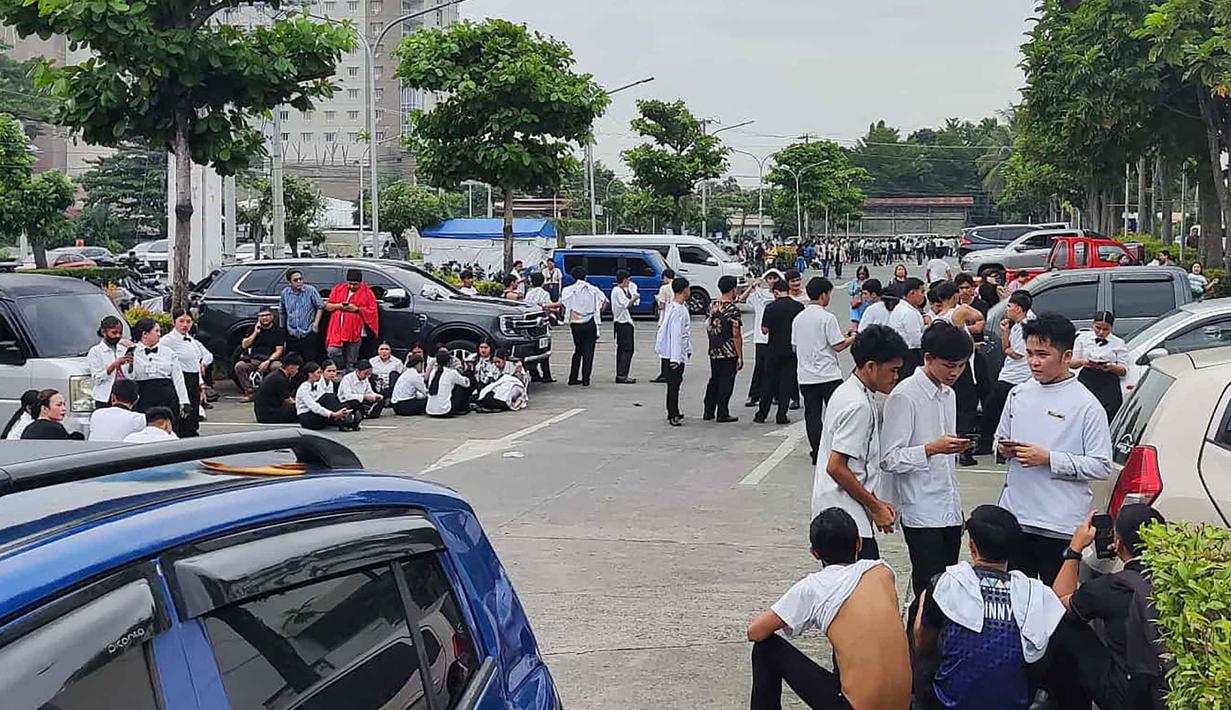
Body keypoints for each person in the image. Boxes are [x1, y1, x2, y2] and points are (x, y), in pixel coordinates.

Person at [747, 507, 912, 710]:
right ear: (859, 543)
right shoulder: (882, 572)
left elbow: (755, 631)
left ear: (815, 554)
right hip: (902, 705)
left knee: (766, 649)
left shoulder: (814, 586)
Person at [995, 314, 1112, 584]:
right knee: (1017, 601)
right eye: (1029, 353)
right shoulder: (1018, 393)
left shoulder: (1086, 405)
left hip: (1059, 523)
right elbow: (999, 440)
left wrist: (1049, 459)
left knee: (1054, 605)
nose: (1034, 362)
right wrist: (1004, 449)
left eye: (1043, 354)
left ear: (1067, 355)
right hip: (1016, 517)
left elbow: (1101, 465)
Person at [914, 505, 1066, 710]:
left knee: (922, 649)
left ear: (972, 546)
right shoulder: (1036, 593)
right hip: (1016, 702)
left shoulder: (945, 584)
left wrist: (926, 598)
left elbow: (923, 644)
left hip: (949, 703)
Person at [881, 322, 974, 623]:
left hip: (948, 507)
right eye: (949, 365)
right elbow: (889, 458)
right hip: (921, 509)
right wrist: (931, 448)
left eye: (961, 366)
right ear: (928, 358)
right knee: (926, 590)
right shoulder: (905, 396)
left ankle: (937, 652)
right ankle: (916, 652)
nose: (955, 372)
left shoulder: (949, 394)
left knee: (946, 589)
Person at [1045, 504, 1170, 710]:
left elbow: (1056, 603)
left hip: (1128, 697)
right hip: (1168, 690)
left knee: (1063, 626)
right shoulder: (1182, 580)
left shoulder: (1111, 587)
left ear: (1118, 543)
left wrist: (1075, 549)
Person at [811, 326, 908, 560]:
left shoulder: (851, 391)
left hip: (843, 515)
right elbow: (836, 467)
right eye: (893, 370)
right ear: (871, 366)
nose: (896, 377)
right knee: (863, 589)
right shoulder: (858, 406)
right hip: (844, 522)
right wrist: (875, 507)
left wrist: (875, 502)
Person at [794, 277, 856, 464]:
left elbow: (795, 345)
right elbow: (838, 346)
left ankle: (817, 452)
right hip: (828, 375)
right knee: (837, 414)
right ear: (823, 295)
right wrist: (853, 337)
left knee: (812, 415)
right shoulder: (827, 318)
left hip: (806, 376)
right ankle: (838, 451)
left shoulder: (798, 318)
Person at [932, 281, 986, 466]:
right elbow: (978, 316)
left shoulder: (936, 318)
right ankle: (964, 449)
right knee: (967, 408)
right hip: (961, 368)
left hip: (943, 369)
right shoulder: (959, 312)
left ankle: (950, 444)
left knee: (949, 408)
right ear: (955, 296)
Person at [980, 291, 1035, 455]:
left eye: (1009, 306)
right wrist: (1005, 332)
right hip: (1009, 373)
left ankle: (988, 442)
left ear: (1018, 308)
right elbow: (1007, 349)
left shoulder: (1027, 326)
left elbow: (1017, 353)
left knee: (993, 405)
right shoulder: (1016, 325)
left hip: (1017, 376)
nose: (1007, 309)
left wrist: (1010, 349)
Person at [755, 279, 805, 426]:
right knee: (786, 383)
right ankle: (781, 415)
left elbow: (764, 330)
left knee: (768, 382)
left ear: (776, 292)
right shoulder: (798, 307)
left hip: (773, 350)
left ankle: (761, 414)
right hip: (791, 350)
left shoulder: (770, 307)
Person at [129, 318, 190, 430]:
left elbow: (178, 378)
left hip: (166, 396)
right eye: (156, 331)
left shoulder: (168, 352)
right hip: (144, 396)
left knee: (168, 428)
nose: (159, 334)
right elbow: (129, 376)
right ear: (145, 334)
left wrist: (184, 401)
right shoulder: (132, 352)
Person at [160, 308, 212, 437]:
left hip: (194, 379)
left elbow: (203, 357)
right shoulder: (168, 340)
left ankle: (191, 435)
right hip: (181, 379)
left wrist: (201, 379)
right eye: (181, 321)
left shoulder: (191, 340)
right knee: (183, 414)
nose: (185, 325)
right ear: (174, 322)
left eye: (188, 321)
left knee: (194, 414)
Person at [1071, 311, 1128, 423]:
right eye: (1098, 328)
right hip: (1087, 378)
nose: (1101, 332)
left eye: (1105, 329)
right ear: (1093, 324)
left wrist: (1111, 367)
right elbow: (1071, 363)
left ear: (1111, 328)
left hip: (1108, 381)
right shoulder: (1082, 339)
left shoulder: (1118, 343)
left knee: (1109, 414)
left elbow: (1123, 370)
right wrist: (1083, 362)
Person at [703, 275, 743, 423]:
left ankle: (708, 410)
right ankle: (722, 411)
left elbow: (708, 326)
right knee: (726, 382)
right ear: (733, 289)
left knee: (714, 380)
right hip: (728, 351)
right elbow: (736, 334)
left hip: (714, 349)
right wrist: (740, 356)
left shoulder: (712, 306)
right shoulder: (733, 310)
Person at [560, 266, 608, 387]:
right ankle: (586, 379)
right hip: (589, 321)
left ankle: (573, 377)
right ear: (585, 276)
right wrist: (598, 312)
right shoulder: (593, 289)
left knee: (578, 350)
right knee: (589, 351)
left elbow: (564, 303)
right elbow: (605, 301)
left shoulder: (568, 290)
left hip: (575, 322)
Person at [324, 268, 379, 371]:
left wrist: (357, 309)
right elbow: (328, 306)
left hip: (355, 332)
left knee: (351, 359)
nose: (352, 286)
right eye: (350, 283)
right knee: (333, 351)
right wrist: (340, 306)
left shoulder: (367, 293)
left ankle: (349, 372)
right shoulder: (338, 289)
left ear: (360, 282)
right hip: (337, 329)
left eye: (355, 284)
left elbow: (372, 310)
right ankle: (339, 368)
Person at [655, 277, 692, 426]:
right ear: (684, 290)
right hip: (673, 354)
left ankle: (674, 410)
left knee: (675, 383)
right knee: (674, 385)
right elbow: (676, 334)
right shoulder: (678, 310)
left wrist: (688, 348)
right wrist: (676, 359)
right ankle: (672, 413)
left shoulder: (677, 307)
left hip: (674, 352)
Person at [744, 269, 783, 407]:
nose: (773, 281)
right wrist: (753, 286)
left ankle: (776, 395)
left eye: (775, 278)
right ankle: (754, 395)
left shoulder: (782, 296)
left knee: (776, 367)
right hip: (761, 337)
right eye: (770, 278)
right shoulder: (760, 295)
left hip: (777, 337)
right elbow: (742, 299)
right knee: (760, 367)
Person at [233, 307, 286, 402]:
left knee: (278, 367)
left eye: (267, 315)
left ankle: (273, 393)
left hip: (271, 359)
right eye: (262, 316)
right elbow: (244, 345)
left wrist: (268, 361)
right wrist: (255, 333)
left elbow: (279, 350)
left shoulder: (278, 331)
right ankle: (250, 393)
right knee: (239, 366)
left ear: (272, 316)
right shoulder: (252, 328)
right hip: (255, 358)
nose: (265, 318)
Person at [87, 315, 132, 410]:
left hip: (124, 396)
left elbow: (130, 375)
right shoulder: (95, 351)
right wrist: (113, 366)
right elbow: (96, 379)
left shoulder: (123, 349)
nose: (117, 336)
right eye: (114, 333)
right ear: (104, 332)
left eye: (120, 333)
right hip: (105, 398)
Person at [295, 362, 357, 430]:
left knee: (351, 403)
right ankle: (343, 420)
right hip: (308, 419)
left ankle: (345, 417)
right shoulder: (304, 388)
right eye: (318, 373)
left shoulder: (317, 384)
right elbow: (314, 406)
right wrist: (333, 414)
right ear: (310, 374)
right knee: (328, 397)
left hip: (319, 414)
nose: (320, 375)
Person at [279, 269, 324, 362]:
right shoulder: (285, 293)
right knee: (293, 361)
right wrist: (282, 327)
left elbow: (320, 306)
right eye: (295, 280)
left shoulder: (311, 290)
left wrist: (315, 324)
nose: (299, 282)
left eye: (300, 279)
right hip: (292, 332)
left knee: (309, 361)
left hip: (308, 331)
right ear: (289, 282)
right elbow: (282, 311)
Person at [887, 278, 927, 380]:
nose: (923, 295)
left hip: (901, 353)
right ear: (912, 293)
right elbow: (916, 340)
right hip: (910, 355)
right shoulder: (908, 313)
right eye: (922, 292)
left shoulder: (902, 308)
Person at [523, 273, 559, 382]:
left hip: (530, 324)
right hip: (542, 324)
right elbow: (548, 307)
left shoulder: (529, 293)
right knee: (544, 351)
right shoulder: (545, 293)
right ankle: (546, 375)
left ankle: (534, 374)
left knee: (532, 350)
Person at [252, 353, 302, 423]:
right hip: (268, 415)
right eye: (296, 369)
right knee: (299, 409)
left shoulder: (276, 375)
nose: (297, 372)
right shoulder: (280, 379)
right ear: (290, 367)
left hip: (264, 412)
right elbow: (288, 400)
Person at [611, 269, 640, 384]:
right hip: (622, 322)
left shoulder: (622, 290)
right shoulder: (617, 291)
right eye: (628, 279)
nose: (629, 282)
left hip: (624, 321)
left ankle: (622, 373)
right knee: (627, 349)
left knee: (622, 349)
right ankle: (622, 374)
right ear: (624, 280)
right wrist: (634, 297)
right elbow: (626, 304)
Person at [426, 348, 473, 418]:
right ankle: (463, 408)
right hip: (445, 411)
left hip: (429, 410)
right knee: (460, 387)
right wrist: (468, 371)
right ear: (449, 361)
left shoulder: (433, 372)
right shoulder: (451, 372)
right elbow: (466, 384)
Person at [847, 265, 870, 330]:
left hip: (865, 304)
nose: (861, 276)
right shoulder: (854, 281)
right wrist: (855, 291)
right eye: (860, 274)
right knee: (854, 321)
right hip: (855, 304)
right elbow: (849, 292)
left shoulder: (868, 282)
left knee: (864, 322)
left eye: (863, 274)